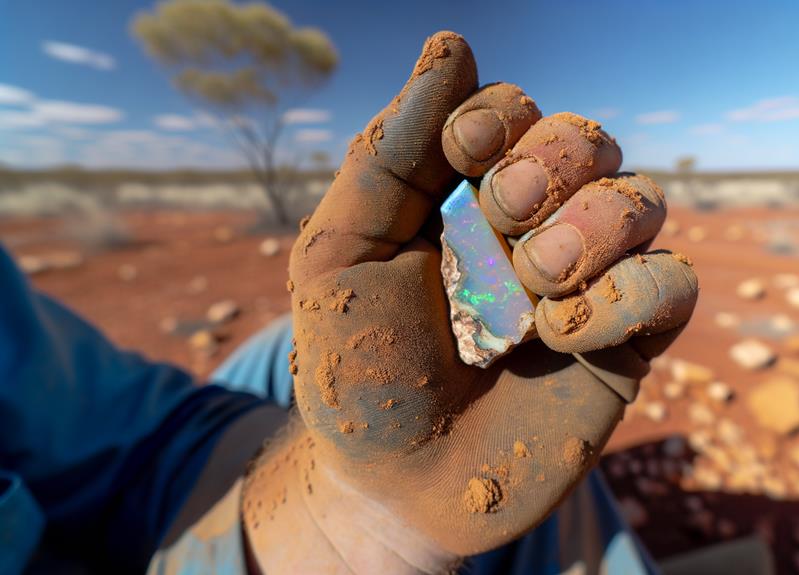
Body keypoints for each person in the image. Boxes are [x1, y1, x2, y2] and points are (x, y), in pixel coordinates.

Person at [0, 31, 698, 574]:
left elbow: (136, 447)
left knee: (305, 345)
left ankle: (380, 489)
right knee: (534, 457)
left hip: (148, 481)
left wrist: (346, 501)